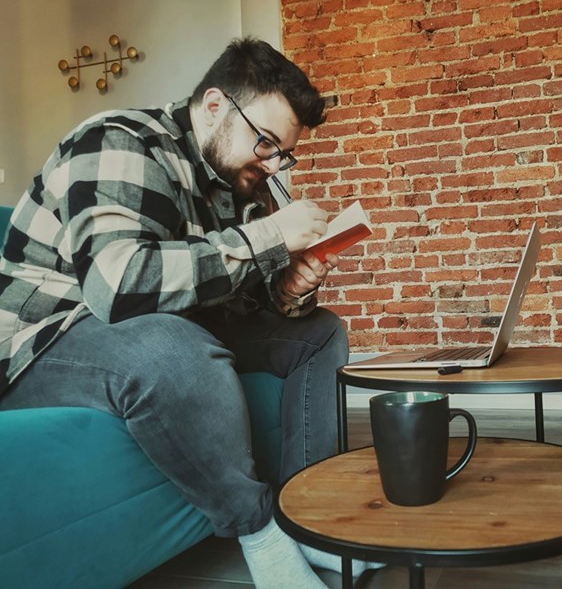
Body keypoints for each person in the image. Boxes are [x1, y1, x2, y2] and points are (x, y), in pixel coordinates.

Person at [0, 38, 370, 588]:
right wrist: (267, 236)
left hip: (165, 329)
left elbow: (238, 297)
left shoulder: (242, 181)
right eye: (264, 142)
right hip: (47, 340)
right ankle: (263, 533)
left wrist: (290, 290)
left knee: (319, 332)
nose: (270, 163)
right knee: (170, 343)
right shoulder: (119, 141)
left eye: (282, 153)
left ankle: (309, 517)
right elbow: (119, 285)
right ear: (216, 105)